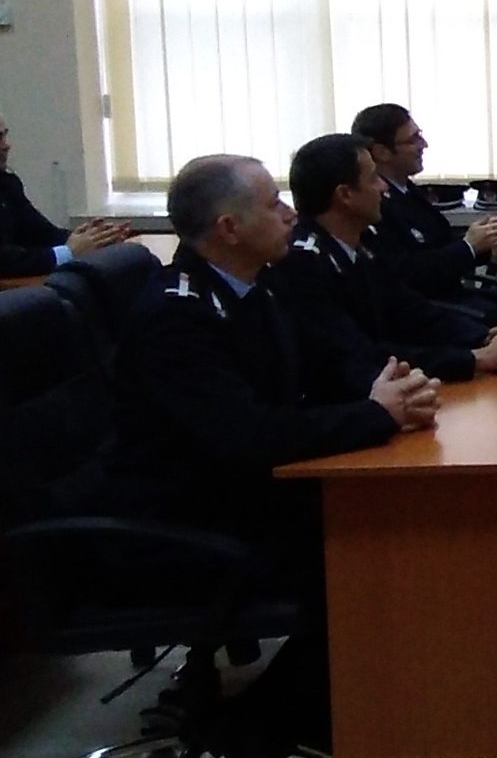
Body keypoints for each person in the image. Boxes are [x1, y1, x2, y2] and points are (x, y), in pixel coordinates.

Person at [104, 154, 441, 750]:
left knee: (398, 518)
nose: (289, 215)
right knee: (377, 548)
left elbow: (312, 381)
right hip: (181, 523)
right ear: (229, 228)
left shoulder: (252, 289)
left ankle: (341, 708)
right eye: (272, 204)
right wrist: (374, 415)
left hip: (238, 495)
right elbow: (250, 437)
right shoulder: (177, 317)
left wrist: (387, 392)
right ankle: (262, 729)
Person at [270, 134, 497, 403]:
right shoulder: (303, 263)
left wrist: (485, 335)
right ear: (345, 194)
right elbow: (360, 355)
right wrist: (477, 359)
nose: (383, 188)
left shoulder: (359, 245)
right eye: (373, 178)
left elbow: (411, 311)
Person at [350, 102, 497, 334]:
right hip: (434, 311)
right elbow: (409, 275)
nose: (423, 145)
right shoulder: (373, 208)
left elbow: (442, 244)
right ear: (381, 152)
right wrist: (469, 246)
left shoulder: (408, 191)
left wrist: (488, 241)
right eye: (413, 140)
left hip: (459, 297)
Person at [0, 112, 129, 277]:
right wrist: (68, 252)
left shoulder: (7, 184)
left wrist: (93, 239)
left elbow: (40, 232)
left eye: (4, 136)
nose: (7, 146)